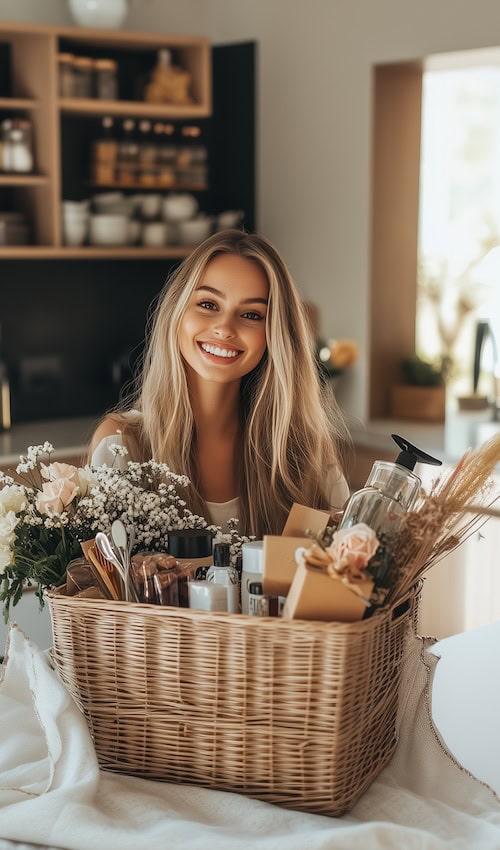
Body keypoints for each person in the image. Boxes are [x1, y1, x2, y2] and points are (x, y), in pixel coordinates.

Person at [90, 229, 350, 537]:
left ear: (274, 336)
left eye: (252, 314)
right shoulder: (123, 444)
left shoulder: (305, 453)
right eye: (208, 305)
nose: (225, 329)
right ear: (177, 311)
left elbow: (345, 571)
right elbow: (100, 580)